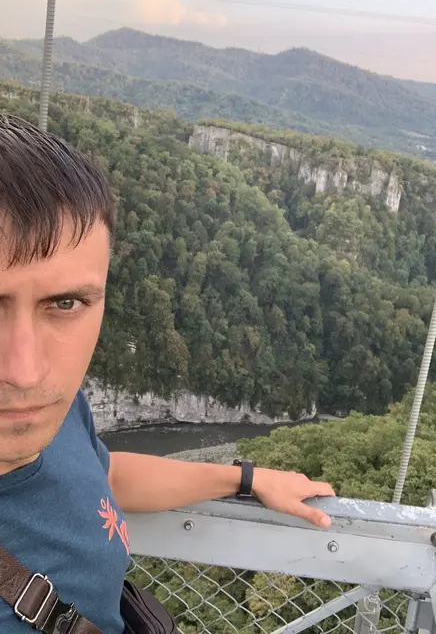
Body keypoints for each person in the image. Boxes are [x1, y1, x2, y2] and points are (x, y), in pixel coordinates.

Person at [0, 114, 335, 633]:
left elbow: (103, 475)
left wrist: (245, 478)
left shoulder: (53, 410)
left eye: (65, 303)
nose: (25, 372)